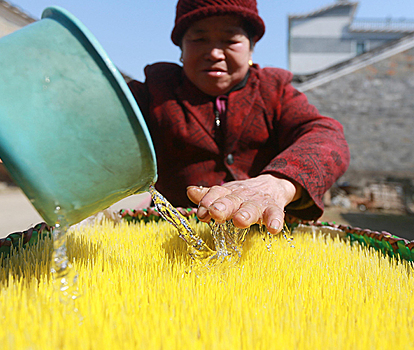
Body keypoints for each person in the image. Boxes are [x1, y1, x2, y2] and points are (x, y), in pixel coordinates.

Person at [127, 0, 349, 234]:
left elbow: (326, 135)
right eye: (199, 39)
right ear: (181, 48)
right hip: (172, 234)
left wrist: (277, 183)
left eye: (231, 40)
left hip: (261, 235)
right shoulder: (155, 91)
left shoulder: (274, 91)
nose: (214, 53)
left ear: (251, 47)